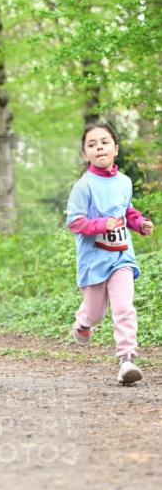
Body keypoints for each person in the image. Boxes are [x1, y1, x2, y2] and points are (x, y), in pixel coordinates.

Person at [66, 122, 154, 385]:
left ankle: (127, 359)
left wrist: (139, 224)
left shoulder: (124, 181)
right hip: (94, 259)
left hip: (121, 256)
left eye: (104, 142)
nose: (99, 147)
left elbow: (127, 211)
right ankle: (83, 322)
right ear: (85, 154)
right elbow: (75, 223)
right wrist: (102, 224)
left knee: (124, 307)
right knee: (95, 315)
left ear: (115, 148)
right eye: (91, 145)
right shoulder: (83, 186)